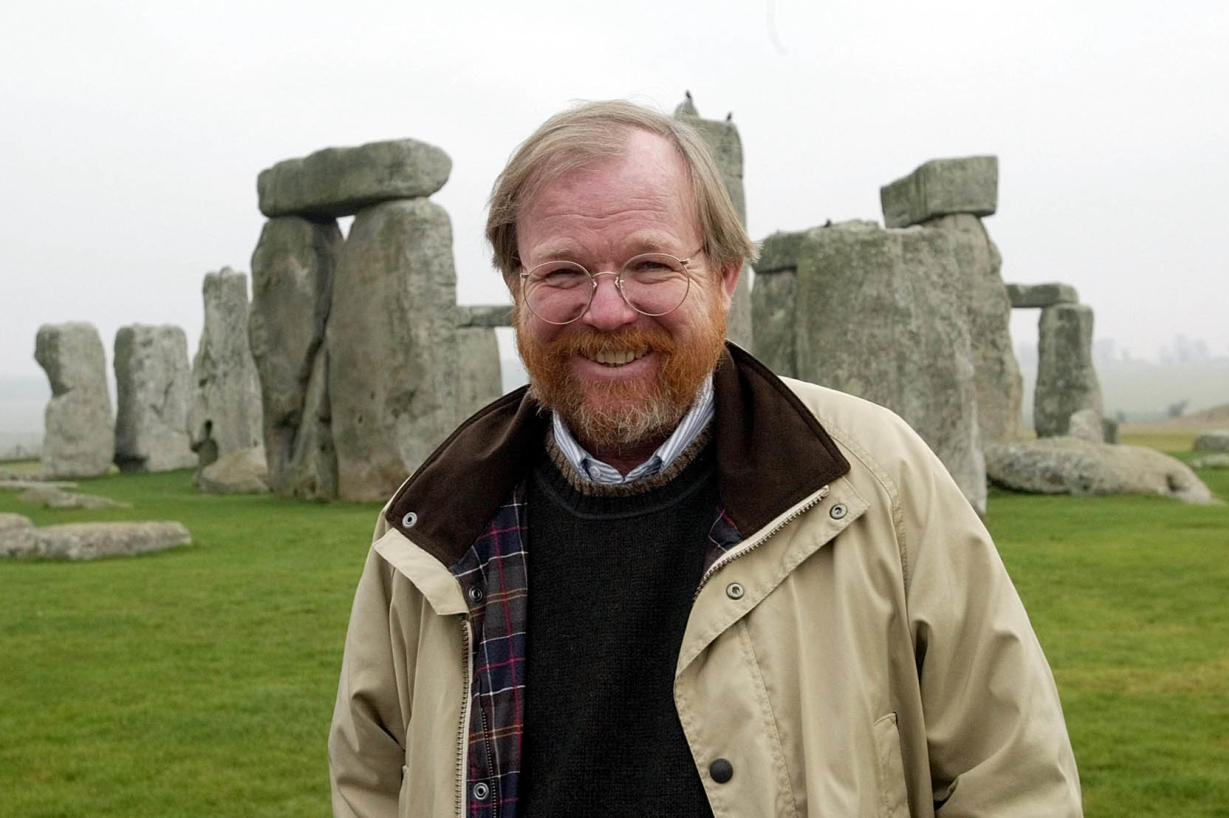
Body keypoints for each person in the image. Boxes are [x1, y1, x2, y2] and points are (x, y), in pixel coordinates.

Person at [328, 100, 1082, 817]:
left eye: (650, 265)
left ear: (724, 277)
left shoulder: (875, 481)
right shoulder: (430, 527)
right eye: (562, 273)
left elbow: (1010, 774)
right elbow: (370, 778)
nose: (609, 309)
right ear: (515, 286)